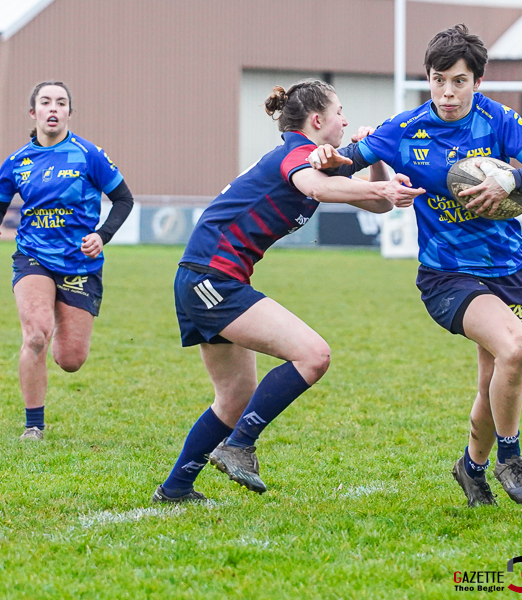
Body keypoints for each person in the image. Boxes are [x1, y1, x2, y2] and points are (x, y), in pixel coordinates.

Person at [152, 80, 426, 502]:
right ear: (318, 121)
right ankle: (238, 446)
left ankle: (176, 488)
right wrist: (382, 186)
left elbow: (379, 205)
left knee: (235, 397)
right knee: (314, 354)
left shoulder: (316, 158)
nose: (346, 120)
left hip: (210, 279)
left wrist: (376, 167)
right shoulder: (296, 155)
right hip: (211, 279)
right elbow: (317, 188)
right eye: (340, 113)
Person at [329, 25, 522, 507]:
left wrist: (509, 178)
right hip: (448, 275)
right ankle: (510, 460)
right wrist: (324, 151)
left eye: (459, 81)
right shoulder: (406, 128)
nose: (448, 92)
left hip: (508, 271)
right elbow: (338, 168)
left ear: (477, 81)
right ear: (429, 79)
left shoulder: (499, 121)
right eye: (439, 80)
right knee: (516, 351)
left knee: (492, 380)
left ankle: (471, 469)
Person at [0, 81, 134, 441]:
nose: (53, 108)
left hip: (79, 263)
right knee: (36, 334)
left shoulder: (88, 154)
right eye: (46, 102)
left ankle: (53, 348)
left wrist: (102, 235)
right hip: (33, 256)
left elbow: (123, 199)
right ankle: (33, 426)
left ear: (68, 112)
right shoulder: (18, 161)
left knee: (70, 360)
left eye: (61, 103)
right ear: (33, 113)